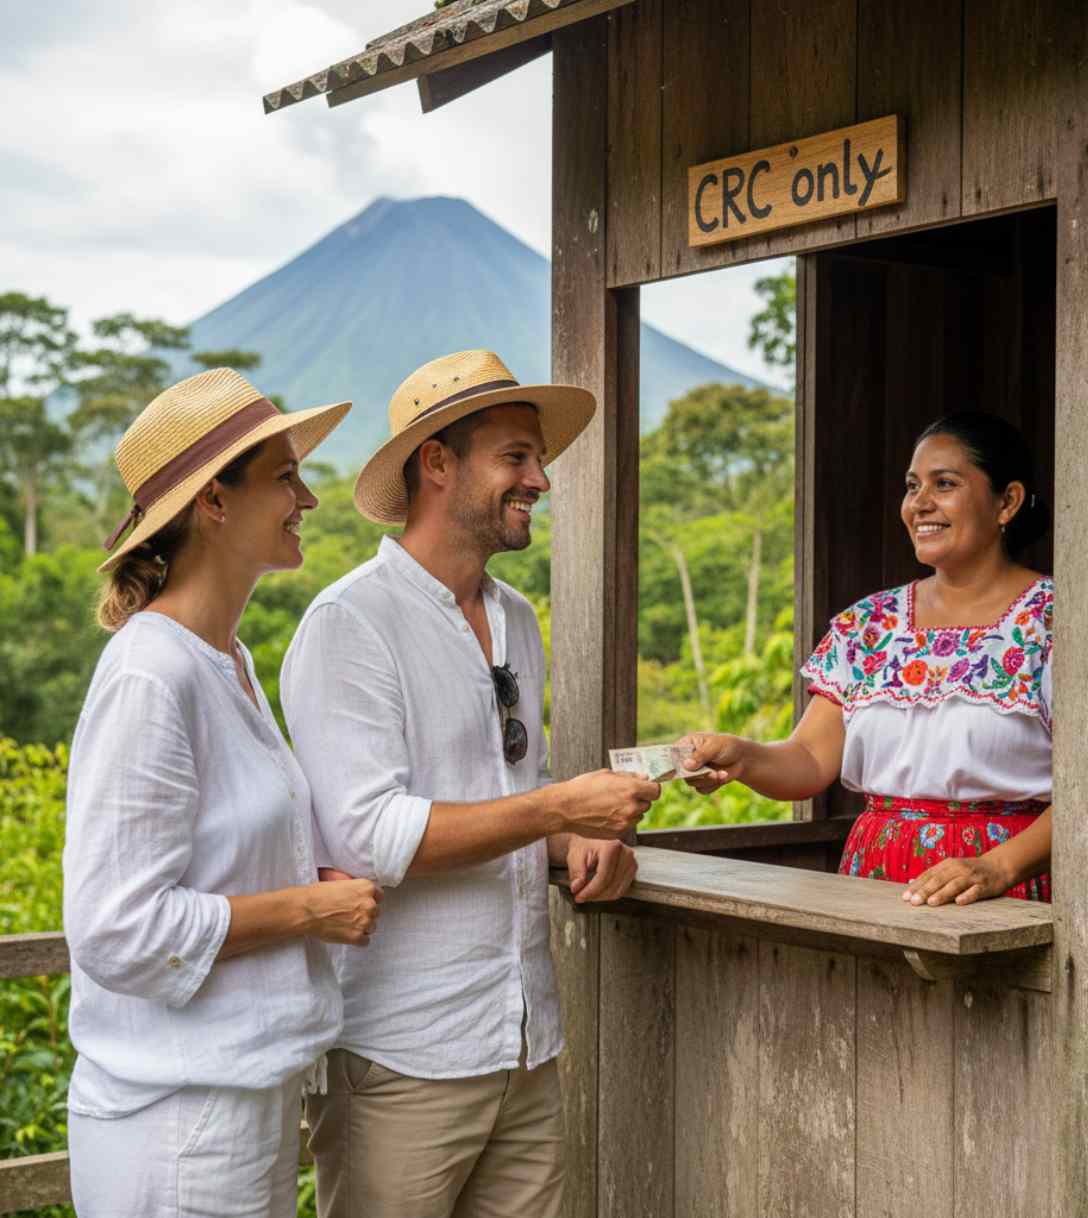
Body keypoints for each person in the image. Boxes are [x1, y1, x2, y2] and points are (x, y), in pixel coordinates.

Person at [281, 349, 659, 1218]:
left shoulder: (516, 618)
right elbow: (370, 837)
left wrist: (584, 842)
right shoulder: (350, 623)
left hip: (525, 1040)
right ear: (438, 464)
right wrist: (558, 805)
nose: (541, 480)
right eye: (516, 458)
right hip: (405, 1054)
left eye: (539, 459)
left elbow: (509, 791)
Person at [63, 368, 383, 1218]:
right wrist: (309, 914)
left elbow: (219, 863)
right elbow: (113, 928)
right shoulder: (151, 672)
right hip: (178, 1127)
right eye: (283, 475)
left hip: (239, 1107)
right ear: (213, 501)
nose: (306, 497)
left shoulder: (227, 662)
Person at [678, 411, 1053, 908]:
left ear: (1007, 501)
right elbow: (811, 759)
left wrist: (998, 867)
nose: (920, 504)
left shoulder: (1055, 621)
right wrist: (741, 756)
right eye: (912, 485)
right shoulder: (869, 625)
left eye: (944, 484)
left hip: (1004, 891)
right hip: (875, 885)